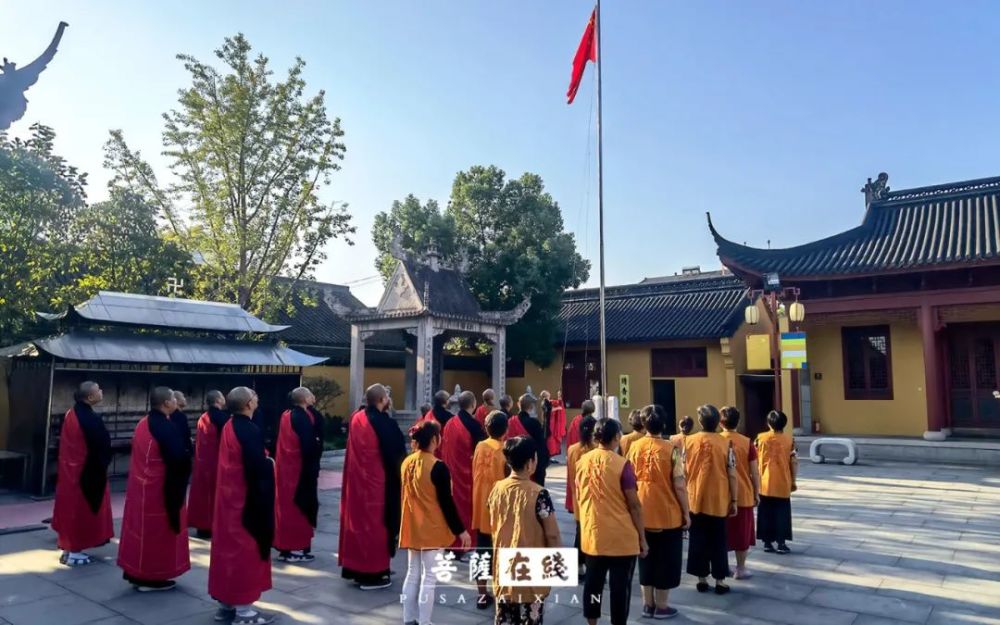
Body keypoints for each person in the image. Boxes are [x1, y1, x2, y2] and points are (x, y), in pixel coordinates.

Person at [208, 386, 277, 625]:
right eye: (255, 396)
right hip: (244, 501)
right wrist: (270, 463)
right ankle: (244, 612)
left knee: (227, 551)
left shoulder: (230, 425)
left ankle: (226, 604)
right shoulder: (248, 430)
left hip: (229, 500)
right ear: (248, 404)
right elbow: (257, 468)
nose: (258, 399)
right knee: (244, 551)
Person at [117, 387, 191, 592]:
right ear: (167, 403)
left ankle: (135, 572)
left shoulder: (145, 422)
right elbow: (178, 459)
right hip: (158, 490)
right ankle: (150, 577)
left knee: (139, 533)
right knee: (156, 535)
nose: (176, 401)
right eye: (173, 399)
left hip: (142, 486)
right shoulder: (164, 427)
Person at [400, 420, 472, 625]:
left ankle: (408, 618)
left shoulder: (407, 462)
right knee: (429, 578)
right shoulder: (438, 466)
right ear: (434, 439)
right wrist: (461, 531)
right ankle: (424, 621)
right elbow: (447, 503)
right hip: (431, 526)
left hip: (412, 524)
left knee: (412, 573)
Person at [576, 418, 647, 625]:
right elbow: (634, 505)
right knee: (619, 588)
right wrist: (642, 538)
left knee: (593, 585)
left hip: (594, 534)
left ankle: (592, 622)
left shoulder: (582, 462)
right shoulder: (622, 465)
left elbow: (581, 495)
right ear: (616, 437)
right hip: (621, 538)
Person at [339, 383, 407, 590]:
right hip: (377, 486)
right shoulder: (384, 423)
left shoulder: (357, 417)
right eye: (386, 397)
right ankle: (372, 574)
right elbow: (396, 456)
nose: (388, 399)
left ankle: (356, 568)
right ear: (381, 400)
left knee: (359, 526)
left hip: (358, 483)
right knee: (376, 527)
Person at [488, 436, 561, 625]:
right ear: (530, 463)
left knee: (505, 616)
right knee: (530, 617)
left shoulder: (496, 488)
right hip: (531, 567)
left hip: (504, 562)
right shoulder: (539, 493)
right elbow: (552, 534)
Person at [627, 405, 690, 619]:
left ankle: (647, 604)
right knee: (667, 559)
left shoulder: (633, 447)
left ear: (643, 424)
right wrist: (686, 513)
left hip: (641, 512)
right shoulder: (671, 449)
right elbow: (679, 484)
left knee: (646, 558)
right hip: (667, 514)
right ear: (664, 424)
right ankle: (662, 606)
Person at [52, 381, 113, 567]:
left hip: (70, 471)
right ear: (90, 397)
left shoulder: (72, 413)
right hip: (85, 473)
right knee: (81, 512)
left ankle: (68, 549)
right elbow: (101, 446)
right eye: (98, 389)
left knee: (70, 510)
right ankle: (74, 552)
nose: (102, 391)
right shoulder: (90, 419)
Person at [684, 405, 737, 595]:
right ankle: (720, 580)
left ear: (700, 422)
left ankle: (701, 578)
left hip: (695, 497)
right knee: (718, 540)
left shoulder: (688, 442)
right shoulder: (725, 443)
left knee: (697, 539)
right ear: (718, 422)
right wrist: (735, 500)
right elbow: (732, 472)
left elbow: (682, 471)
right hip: (719, 498)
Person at [274, 387, 322, 563]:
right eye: (310, 394)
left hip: (287, 470)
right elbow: (309, 445)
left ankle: (286, 548)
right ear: (303, 399)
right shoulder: (300, 417)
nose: (312, 397)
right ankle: (295, 549)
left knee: (287, 508)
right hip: (298, 472)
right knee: (297, 510)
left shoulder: (287, 414)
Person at [440, 390, 487, 554]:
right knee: (467, 511)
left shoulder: (450, 423)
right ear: (473, 405)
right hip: (468, 477)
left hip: (450, 473)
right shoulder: (474, 426)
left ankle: (451, 542)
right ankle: (465, 544)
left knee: (451, 507)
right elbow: (482, 452)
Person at [471, 410, 509, 609]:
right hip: (498, 508)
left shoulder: (480, 446)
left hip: (480, 504)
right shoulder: (504, 451)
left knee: (481, 550)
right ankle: (501, 592)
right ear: (506, 431)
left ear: (486, 428)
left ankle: (481, 594)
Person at [720, 406, 760, 579]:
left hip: (721, 493)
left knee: (722, 532)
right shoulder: (746, 442)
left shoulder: (716, 441)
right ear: (739, 421)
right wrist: (756, 492)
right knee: (742, 532)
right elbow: (754, 471)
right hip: (743, 492)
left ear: (720, 422)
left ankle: (722, 566)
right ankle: (741, 568)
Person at [757, 410, 797, 554]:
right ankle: (781, 543)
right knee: (782, 513)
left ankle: (767, 542)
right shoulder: (790, 440)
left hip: (765, 481)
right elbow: (794, 461)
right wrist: (793, 480)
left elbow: (756, 460)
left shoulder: (760, 438)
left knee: (766, 512)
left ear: (768, 423)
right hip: (783, 481)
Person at [506, 394, 550, 485]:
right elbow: (541, 446)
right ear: (531, 407)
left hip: (514, 465)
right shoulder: (534, 423)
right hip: (530, 467)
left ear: (518, 405)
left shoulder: (511, 422)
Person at [543, 390, 566, 460]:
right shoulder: (544, 402)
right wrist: (557, 408)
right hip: (549, 422)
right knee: (550, 437)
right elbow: (549, 410)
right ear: (546, 395)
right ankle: (549, 454)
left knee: (551, 436)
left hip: (551, 422)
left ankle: (551, 454)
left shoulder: (548, 401)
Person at [170, 390, 194, 458]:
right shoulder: (180, 416)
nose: (185, 399)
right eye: (183, 396)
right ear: (177, 400)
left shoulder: (171, 414)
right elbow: (184, 435)